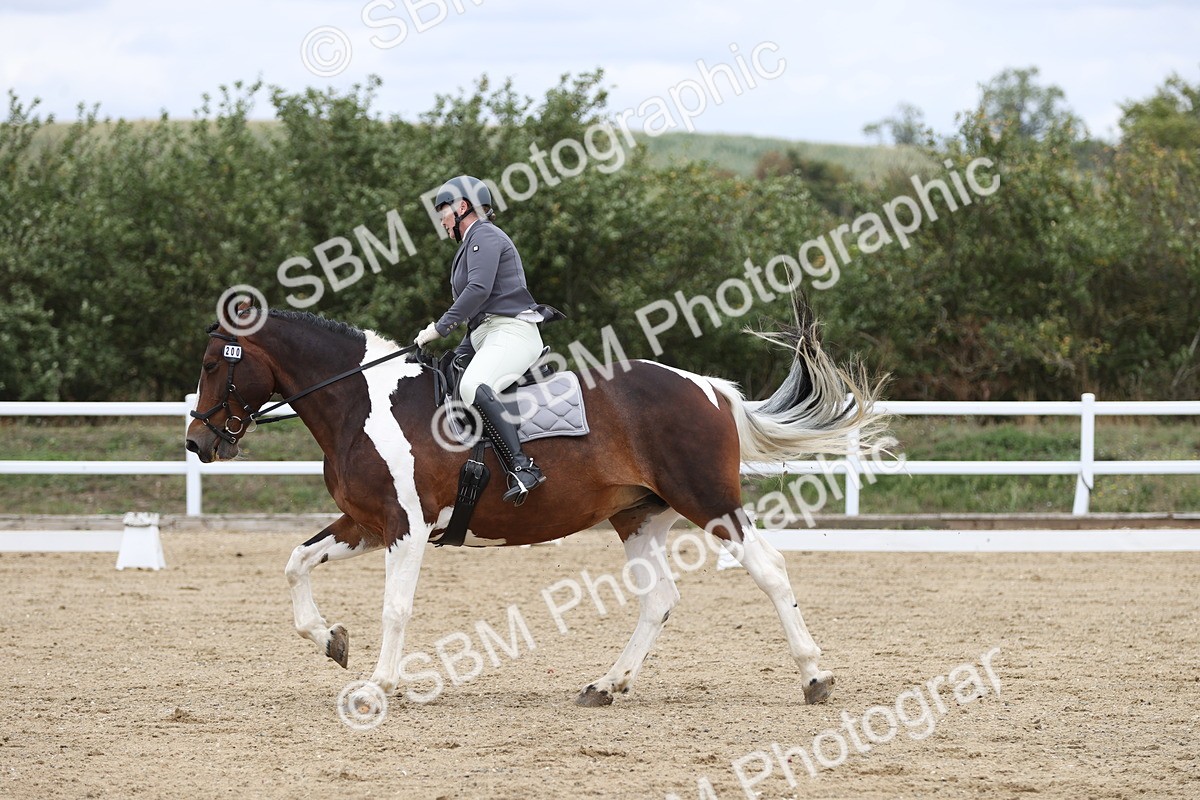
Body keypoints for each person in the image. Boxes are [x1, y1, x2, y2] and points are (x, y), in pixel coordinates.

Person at [414, 175, 555, 505]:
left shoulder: (486, 236)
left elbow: (478, 290)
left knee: (471, 385)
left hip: (512, 332)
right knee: (447, 377)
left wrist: (440, 327)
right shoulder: (470, 245)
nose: (442, 221)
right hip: (484, 334)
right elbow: (477, 317)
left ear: (462, 207)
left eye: (444, 213)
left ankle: (523, 467)